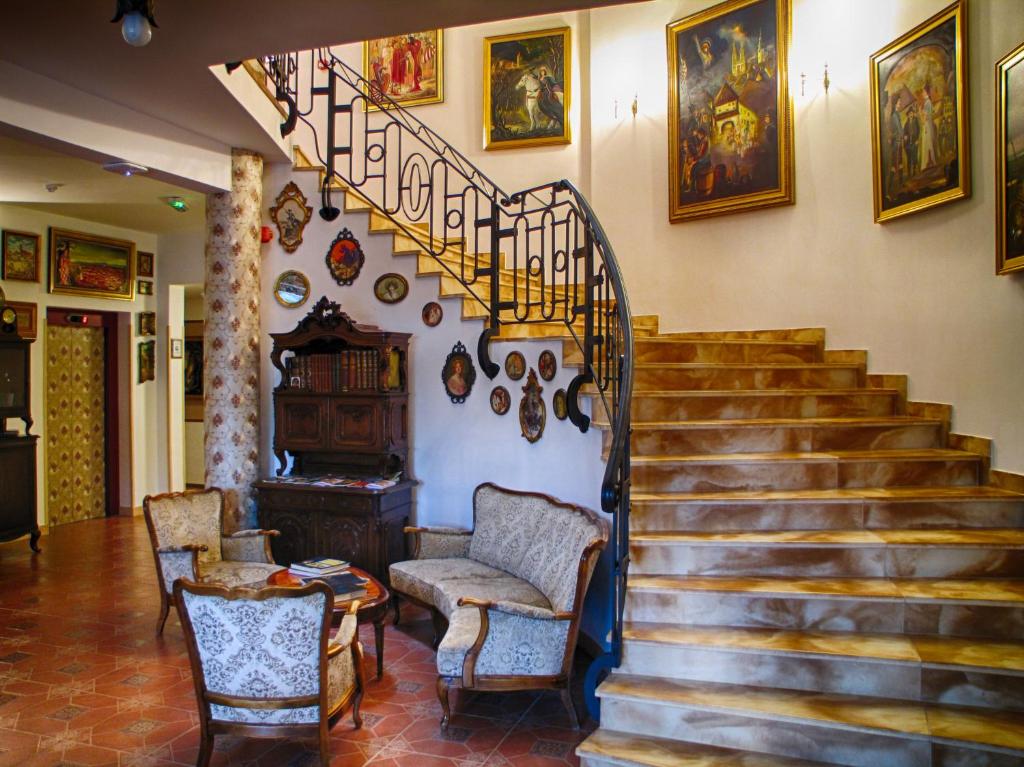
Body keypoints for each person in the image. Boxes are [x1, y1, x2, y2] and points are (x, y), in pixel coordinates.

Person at [903, 105, 920, 177]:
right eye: (909, 113)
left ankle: (914, 172)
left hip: (914, 142)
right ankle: (909, 174)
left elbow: (919, 131)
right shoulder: (906, 124)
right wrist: (905, 136)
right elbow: (905, 133)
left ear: (913, 114)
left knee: (914, 157)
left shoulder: (916, 121)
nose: (911, 114)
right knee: (909, 158)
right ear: (908, 115)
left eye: (912, 113)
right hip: (908, 144)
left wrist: (917, 140)